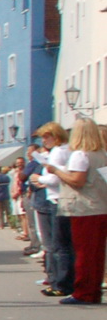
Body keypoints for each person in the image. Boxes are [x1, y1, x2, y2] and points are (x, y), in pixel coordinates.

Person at [48, 117, 107, 305]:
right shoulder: (102, 154)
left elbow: (77, 180)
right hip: (100, 206)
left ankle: (84, 292)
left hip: (84, 208)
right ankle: (94, 290)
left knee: (83, 253)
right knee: (96, 253)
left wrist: (57, 171)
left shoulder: (80, 155)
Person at [30, 122, 71, 295]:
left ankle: (59, 283)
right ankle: (57, 281)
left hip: (55, 199)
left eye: (47, 136)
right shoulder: (65, 151)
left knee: (57, 244)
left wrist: (39, 179)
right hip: (58, 198)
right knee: (60, 244)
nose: (44, 140)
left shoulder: (58, 152)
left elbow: (55, 178)